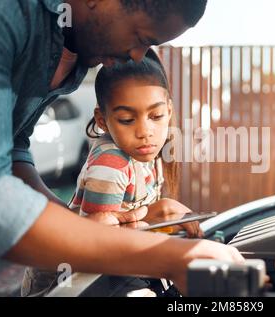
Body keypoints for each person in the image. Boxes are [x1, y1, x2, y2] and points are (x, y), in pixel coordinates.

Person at [0, 0, 244, 296]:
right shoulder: (5, 13)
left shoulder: (76, 50)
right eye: (140, 38)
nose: (137, 56)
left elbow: (14, 144)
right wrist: (167, 257)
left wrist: (84, 225)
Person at [21, 51, 205, 296]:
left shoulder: (148, 154)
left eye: (156, 116)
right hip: (64, 284)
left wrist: (165, 220)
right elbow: (101, 244)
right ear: (103, 120)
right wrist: (156, 213)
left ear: (169, 111)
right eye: (127, 119)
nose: (145, 131)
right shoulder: (112, 163)